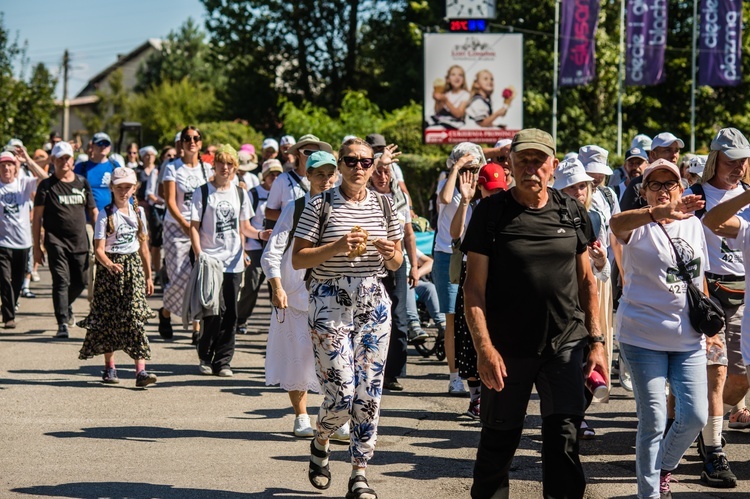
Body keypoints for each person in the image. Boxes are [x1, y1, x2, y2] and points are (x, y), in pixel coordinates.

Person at [462, 128, 607, 499]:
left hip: (564, 345)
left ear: (553, 166)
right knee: (498, 444)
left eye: (539, 160)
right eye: (522, 159)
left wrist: (598, 342)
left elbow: (588, 282)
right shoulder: (490, 214)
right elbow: (473, 289)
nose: (531, 168)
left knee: (564, 443)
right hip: (506, 349)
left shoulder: (573, 211)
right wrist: (484, 349)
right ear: (509, 164)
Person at [292, 137, 403, 499]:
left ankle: (359, 473)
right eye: (351, 161)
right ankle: (322, 439)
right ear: (339, 165)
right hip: (329, 299)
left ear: (374, 167)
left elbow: (398, 261)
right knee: (341, 393)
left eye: (365, 162)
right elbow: (299, 259)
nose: (359, 167)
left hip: (372, 299)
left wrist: (391, 254)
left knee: (368, 393)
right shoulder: (320, 204)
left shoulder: (386, 206)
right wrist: (338, 246)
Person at [610, 159, 710, 498]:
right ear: (644, 191)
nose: (664, 189)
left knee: (696, 416)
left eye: (671, 183)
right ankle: (648, 493)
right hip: (642, 335)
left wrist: (711, 331)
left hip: (688, 338)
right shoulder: (637, 225)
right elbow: (614, 223)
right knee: (652, 419)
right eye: (656, 184)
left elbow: (700, 280)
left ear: (682, 189)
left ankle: (664, 465)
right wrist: (659, 212)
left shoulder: (695, 226)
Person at [260, 150, 347, 440]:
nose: (326, 179)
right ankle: (301, 416)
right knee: (297, 359)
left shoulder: (344, 207)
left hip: (334, 297)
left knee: (335, 359)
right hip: (296, 297)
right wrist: (277, 287)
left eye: (330, 173)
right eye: (319, 173)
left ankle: (334, 417)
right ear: (307, 175)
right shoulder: (295, 208)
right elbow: (271, 252)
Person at [687, 128, 750, 488]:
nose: (738, 169)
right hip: (706, 291)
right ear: (714, 160)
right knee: (717, 372)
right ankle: (713, 450)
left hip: (744, 292)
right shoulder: (695, 194)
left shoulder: (748, 193)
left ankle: (704, 422)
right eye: (730, 162)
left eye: (743, 162)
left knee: (740, 379)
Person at [77, 167, 156, 387]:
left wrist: (149, 277)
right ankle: (110, 367)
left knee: (134, 318)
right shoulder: (106, 214)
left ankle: (141, 371)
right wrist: (110, 264)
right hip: (110, 271)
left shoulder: (139, 213)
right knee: (108, 319)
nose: (124, 191)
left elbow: (144, 247)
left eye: (128, 187)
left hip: (133, 270)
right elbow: (99, 248)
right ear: (112, 188)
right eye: (119, 187)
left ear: (134, 188)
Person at [189, 144, 264, 377]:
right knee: (213, 311)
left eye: (230, 164)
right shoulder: (202, 192)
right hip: (210, 261)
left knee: (231, 312)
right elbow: (194, 227)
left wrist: (260, 235)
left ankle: (223, 361)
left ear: (235, 167)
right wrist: (199, 253)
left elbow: (245, 227)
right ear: (215, 165)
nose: (225, 167)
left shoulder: (240, 192)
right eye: (221, 163)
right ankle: (205, 354)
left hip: (233, 262)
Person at [553, 158, 612, 439]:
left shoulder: (594, 219)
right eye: (573, 187)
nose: (580, 192)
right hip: (557, 304)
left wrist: (600, 262)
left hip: (586, 301)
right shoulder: (547, 218)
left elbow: (603, 272)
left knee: (586, 360)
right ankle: (569, 418)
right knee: (564, 366)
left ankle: (578, 416)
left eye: (583, 186)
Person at [452, 162, 507, 419]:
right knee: (469, 336)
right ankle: (476, 397)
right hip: (472, 273)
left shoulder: (510, 208)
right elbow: (455, 235)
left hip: (499, 273)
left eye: (499, 190)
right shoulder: (473, 207)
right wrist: (464, 201)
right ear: (480, 189)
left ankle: (494, 395)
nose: (494, 195)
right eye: (490, 190)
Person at [436, 142, 487, 396]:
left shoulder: (482, 189)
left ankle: (476, 372)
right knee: (452, 318)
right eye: (467, 167)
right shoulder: (448, 183)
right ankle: (454, 375)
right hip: (448, 254)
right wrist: (456, 168)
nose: (471, 172)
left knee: (474, 316)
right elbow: (444, 200)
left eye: (475, 167)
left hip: (473, 256)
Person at [33, 141, 97, 338]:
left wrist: (100, 237)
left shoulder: (81, 182)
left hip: (80, 241)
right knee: (61, 281)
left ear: (72, 160)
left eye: (67, 158)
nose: (64, 161)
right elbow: (37, 218)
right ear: (53, 160)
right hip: (55, 241)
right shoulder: (46, 186)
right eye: (60, 158)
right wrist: (37, 247)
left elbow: (93, 211)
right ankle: (62, 323)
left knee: (79, 281)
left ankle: (65, 304)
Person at [369, 145, 420, 391]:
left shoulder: (400, 197)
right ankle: (370, 367)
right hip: (371, 261)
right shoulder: (364, 195)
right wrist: (379, 160)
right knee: (373, 314)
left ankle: (393, 373)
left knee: (399, 318)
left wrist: (415, 266)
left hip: (398, 262)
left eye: (386, 171)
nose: (382, 176)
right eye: (377, 171)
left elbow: (409, 234)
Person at [159, 126, 213, 340]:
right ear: (181, 143)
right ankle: (165, 312)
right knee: (179, 279)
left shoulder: (207, 169)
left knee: (198, 277)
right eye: (187, 138)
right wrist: (184, 224)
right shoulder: (172, 168)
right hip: (176, 228)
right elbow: (170, 200)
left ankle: (196, 326)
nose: (192, 141)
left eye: (196, 138)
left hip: (201, 229)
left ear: (200, 143)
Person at [0, 151, 47, 329]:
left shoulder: (24, 184)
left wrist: (28, 161)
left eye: (9, 164)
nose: (6, 168)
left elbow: (46, 178)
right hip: (2, 243)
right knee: (4, 279)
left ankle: (9, 305)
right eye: (2, 165)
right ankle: (8, 317)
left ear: (15, 167)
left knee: (18, 281)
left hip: (23, 243)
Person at [236, 159, 283, 334]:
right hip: (255, 244)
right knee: (252, 284)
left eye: (278, 174)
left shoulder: (282, 193)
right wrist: (244, 248)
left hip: (276, 245)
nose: (275, 177)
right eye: (271, 174)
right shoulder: (254, 193)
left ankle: (278, 321)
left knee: (277, 284)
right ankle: (240, 318)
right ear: (264, 175)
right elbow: (244, 221)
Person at [264, 134, 333, 224]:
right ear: (297, 154)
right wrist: (294, 218)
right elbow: (269, 212)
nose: (312, 156)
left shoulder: (326, 180)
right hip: (291, 235)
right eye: (307, 152)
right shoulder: (282, 180)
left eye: (316, 153)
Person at [620, 132, 684, 211]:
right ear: (653, 154)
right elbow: (625, 219)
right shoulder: (637, 185)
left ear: (681, 190)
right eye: (668, 150)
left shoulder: (684, 183)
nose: (674, 155)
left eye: (676, 150)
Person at [431, 64, 470, 128]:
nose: (457, 77)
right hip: (441, 119)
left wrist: (446, 101)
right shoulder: (446, 94)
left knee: (436, 128)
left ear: (463, 80)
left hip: (454, 123)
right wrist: (438, 100)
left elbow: (459, 114)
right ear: (448, 79)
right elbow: (437, 111)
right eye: (453, 75)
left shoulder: (465, 94)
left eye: (460, 75)